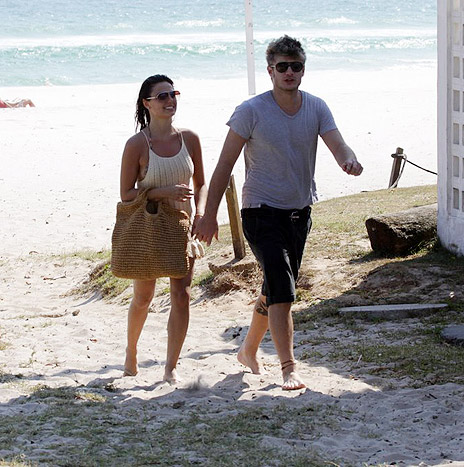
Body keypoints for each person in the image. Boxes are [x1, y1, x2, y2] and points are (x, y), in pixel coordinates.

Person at [195, 35, 363, 392]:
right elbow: (224, 164)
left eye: (296, 66)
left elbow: (337, 142)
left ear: (303, 69)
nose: (289, 72)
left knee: (274, 288)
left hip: (299, 214)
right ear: (270, 70)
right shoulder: (251, 110)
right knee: (285, 292)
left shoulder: (316, 107)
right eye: (282, 67)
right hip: (259, 212)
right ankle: (288, 367)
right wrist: (210, 215)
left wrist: (348, 159)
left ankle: (248, 350)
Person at [120, 74, 208, 384]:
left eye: (173, 94)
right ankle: (131, 352)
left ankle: (171, 366)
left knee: (181, 295)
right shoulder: (136, 144)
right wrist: (162, 192)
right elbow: (126, 194)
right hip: (150, 228)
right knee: (143, 297)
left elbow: (201, 184)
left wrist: (202, 214)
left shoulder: (190, 138)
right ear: (147, 103)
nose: (170, 100)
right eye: (162, 96)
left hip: (183, 228)